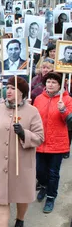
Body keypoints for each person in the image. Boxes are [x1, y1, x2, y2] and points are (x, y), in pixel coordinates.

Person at [0, 76, 44, 227]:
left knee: (21, 196)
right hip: (1, 162)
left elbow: (40, 137)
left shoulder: (32, 111)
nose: (8, 91)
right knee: (1, 200)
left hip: (22, 163)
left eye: (12, 88)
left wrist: (24, 133)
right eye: (7, 87)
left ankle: (20, 218)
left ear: (22, 92)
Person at [34, 72, 72, 213]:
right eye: (48, 81)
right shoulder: (38, 98)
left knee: (53, 173)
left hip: (57, 144)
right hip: (39, 142)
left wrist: (64, 110)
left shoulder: (67, 100)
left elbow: (70, 123)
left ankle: (51, 197)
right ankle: (43, 186)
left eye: (54, 82)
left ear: (60, 85)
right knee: (39, 170)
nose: (50, 84)